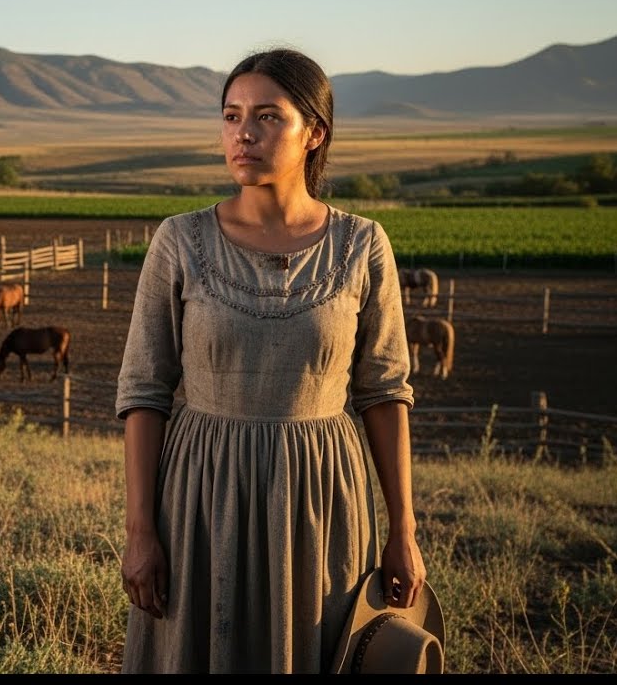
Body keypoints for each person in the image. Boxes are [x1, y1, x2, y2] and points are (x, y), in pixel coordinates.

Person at [115, 47, 428, 673]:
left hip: (323, 497)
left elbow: (384, 392)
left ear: (314, 132)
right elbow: (144, 392)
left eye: (266, 116)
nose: (243, 134)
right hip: (203, 496)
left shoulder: (363, 245)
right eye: (231, 117)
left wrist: (404, 530)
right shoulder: (179, 241)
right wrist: (140, 531)